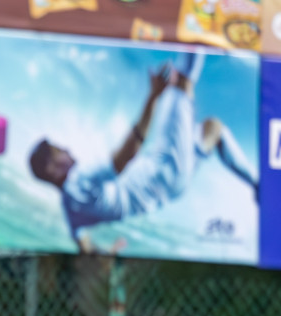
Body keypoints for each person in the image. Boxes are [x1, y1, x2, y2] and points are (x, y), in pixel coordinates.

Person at [29, 53, 258, 253]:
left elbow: (84, 246)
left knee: (213, 129)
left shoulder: (70, 209)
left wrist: (107, 253)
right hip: (163, 168)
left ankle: (259, 185)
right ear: (52, 169)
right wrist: (153, 96)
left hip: (172, 189)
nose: (67, 150)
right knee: (181, 82)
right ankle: (199, 18)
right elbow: (127, 155)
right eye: (60, 151)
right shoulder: (79, 179)